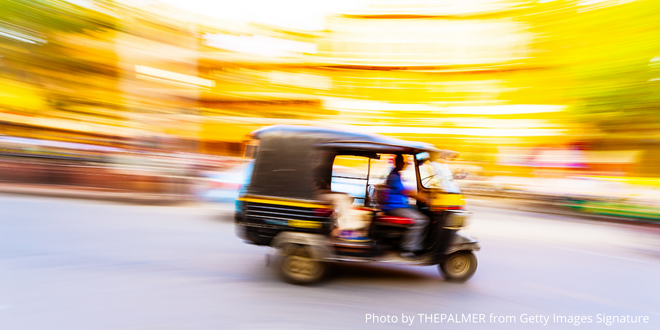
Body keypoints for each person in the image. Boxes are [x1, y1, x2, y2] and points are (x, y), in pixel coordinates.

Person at [382, 154, 430, 255]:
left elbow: (406, 190)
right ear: (396, 162)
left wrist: (421, 197)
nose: (404, 164)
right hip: (393, 207)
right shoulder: (393, 176)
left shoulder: (397, 174)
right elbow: (406, 191)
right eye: (401, 161)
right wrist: (423, 198)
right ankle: (408, 249)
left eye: (404, 162)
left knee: (419, 210)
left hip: (398, 205)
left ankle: (419, 244)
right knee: (422, 220)